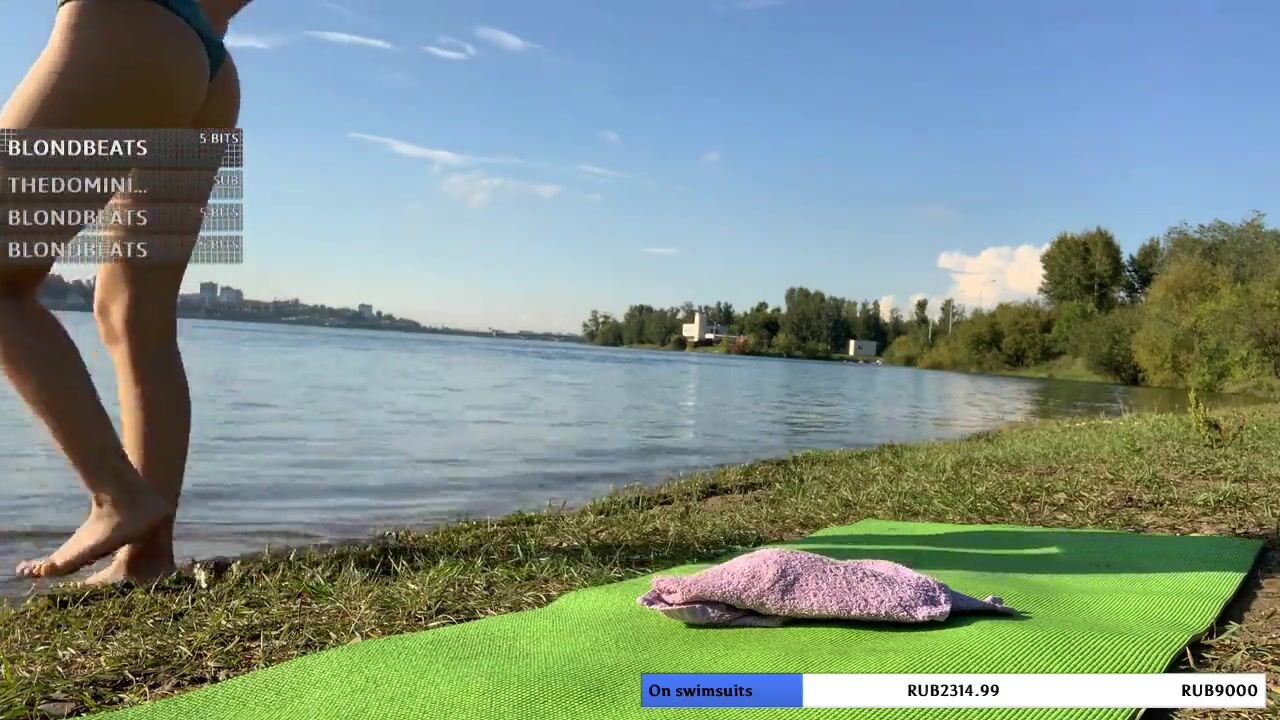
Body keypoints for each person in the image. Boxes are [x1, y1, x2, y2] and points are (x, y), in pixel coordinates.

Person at [2, 0, 252, 583]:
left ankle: (117, 496)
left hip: (128, 25)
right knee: (135, 315)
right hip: (206, 65)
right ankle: (146, 558)